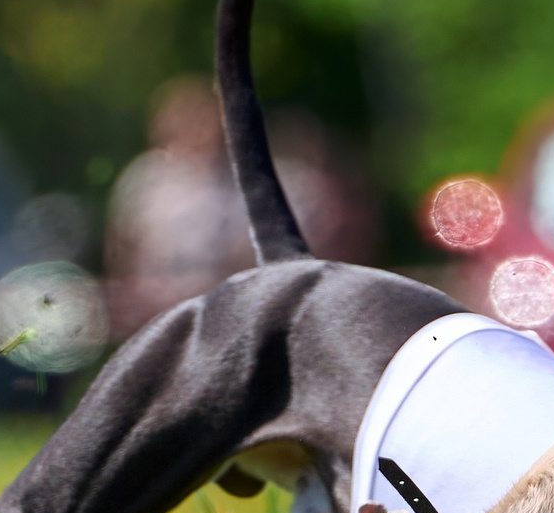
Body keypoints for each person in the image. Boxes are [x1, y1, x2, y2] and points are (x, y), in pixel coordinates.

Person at [103, 77, 375, 333]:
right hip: (164, 314)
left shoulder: (251, 175)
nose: (198, 127)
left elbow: (319, 226)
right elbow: (122, 245)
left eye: (204, 117)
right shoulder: (146, 181)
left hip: (238, 310)